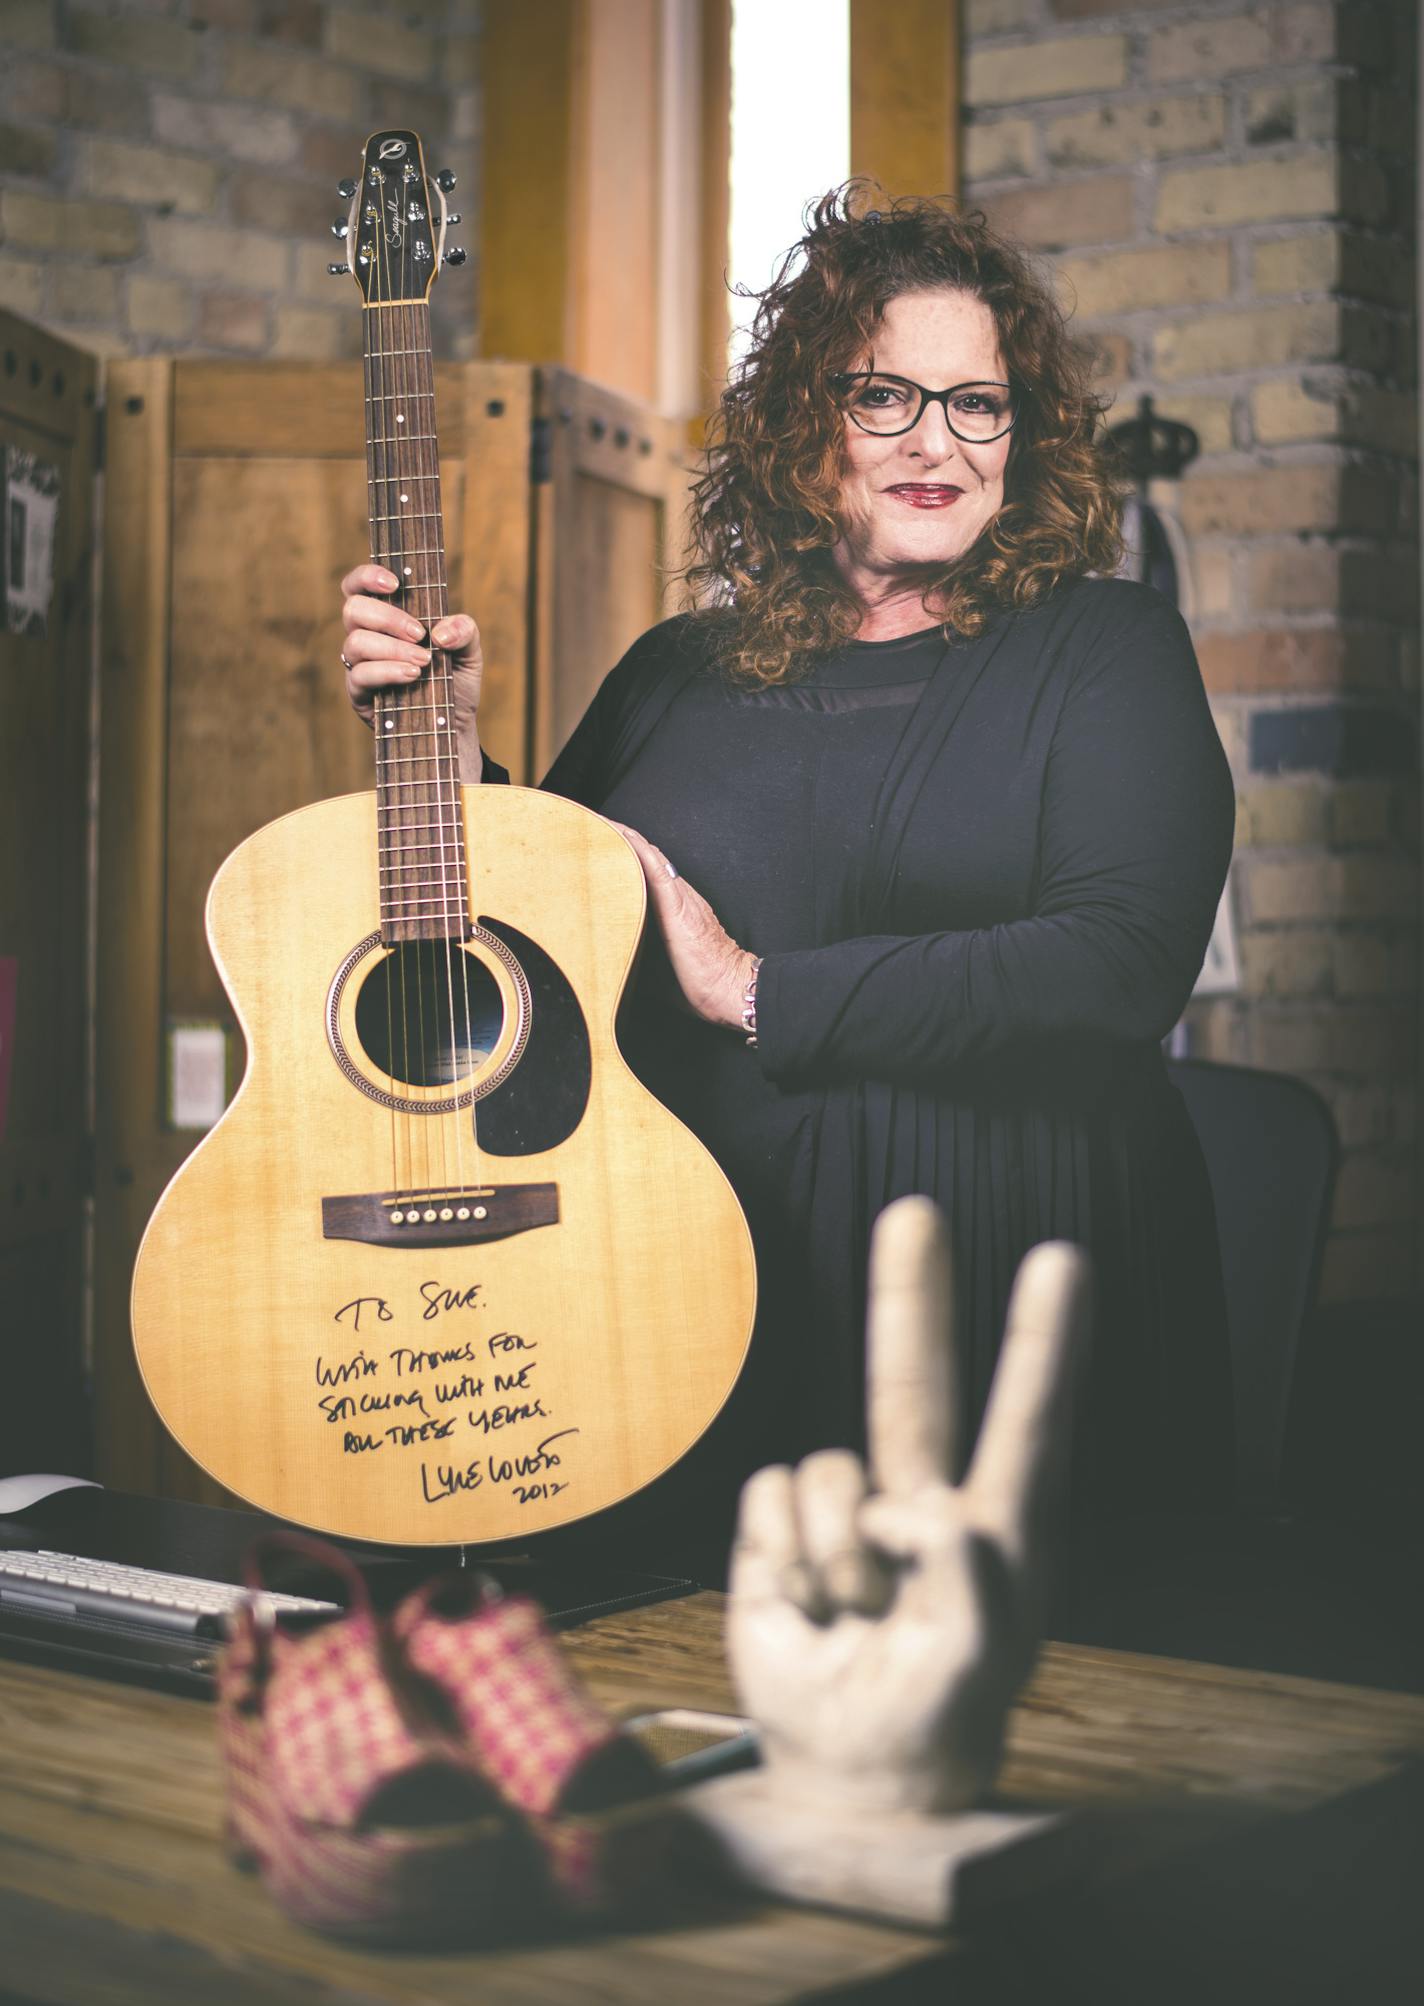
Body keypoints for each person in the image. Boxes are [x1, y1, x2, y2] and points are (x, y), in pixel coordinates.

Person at [340, 189, 1235, 1574]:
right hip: (682, 1310)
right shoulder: (679, 667)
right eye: (887, 395)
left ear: (1023, 434)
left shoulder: (1105, 648)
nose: (938, 441)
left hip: (984, 1291)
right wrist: (453, 749)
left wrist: (754, 988)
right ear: (805, 425)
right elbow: (546, 945)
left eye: (978, 404)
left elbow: (1117, 962)